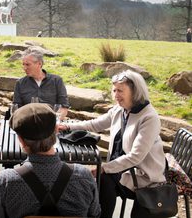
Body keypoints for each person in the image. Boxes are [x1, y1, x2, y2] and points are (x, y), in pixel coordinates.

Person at [58, 70, 166, 218]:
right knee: (94, 181)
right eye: (114, 90)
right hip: (121, 169)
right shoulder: (120, 109)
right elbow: (96, 124)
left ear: (135, 91)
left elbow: (135, 157)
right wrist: (68, 126)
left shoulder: (149, 117)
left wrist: (105, 168)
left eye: (120, 90)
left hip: (141, 177)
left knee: (102, 181)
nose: (116, 95)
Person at [0, 103, 100, 218]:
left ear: (21, 141)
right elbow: (95, 214)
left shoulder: (6, 181)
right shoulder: (84, 176)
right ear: (56, 132)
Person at [13, 50, 69, 119]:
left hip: (52, 123)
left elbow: (64, 107)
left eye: (27, 64)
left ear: (39, 64)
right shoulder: (20, 83)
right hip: (28, 124)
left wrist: (53, 122)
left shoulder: (56, 80)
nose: (24, 68)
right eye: (23, 64)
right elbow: (16, 109)